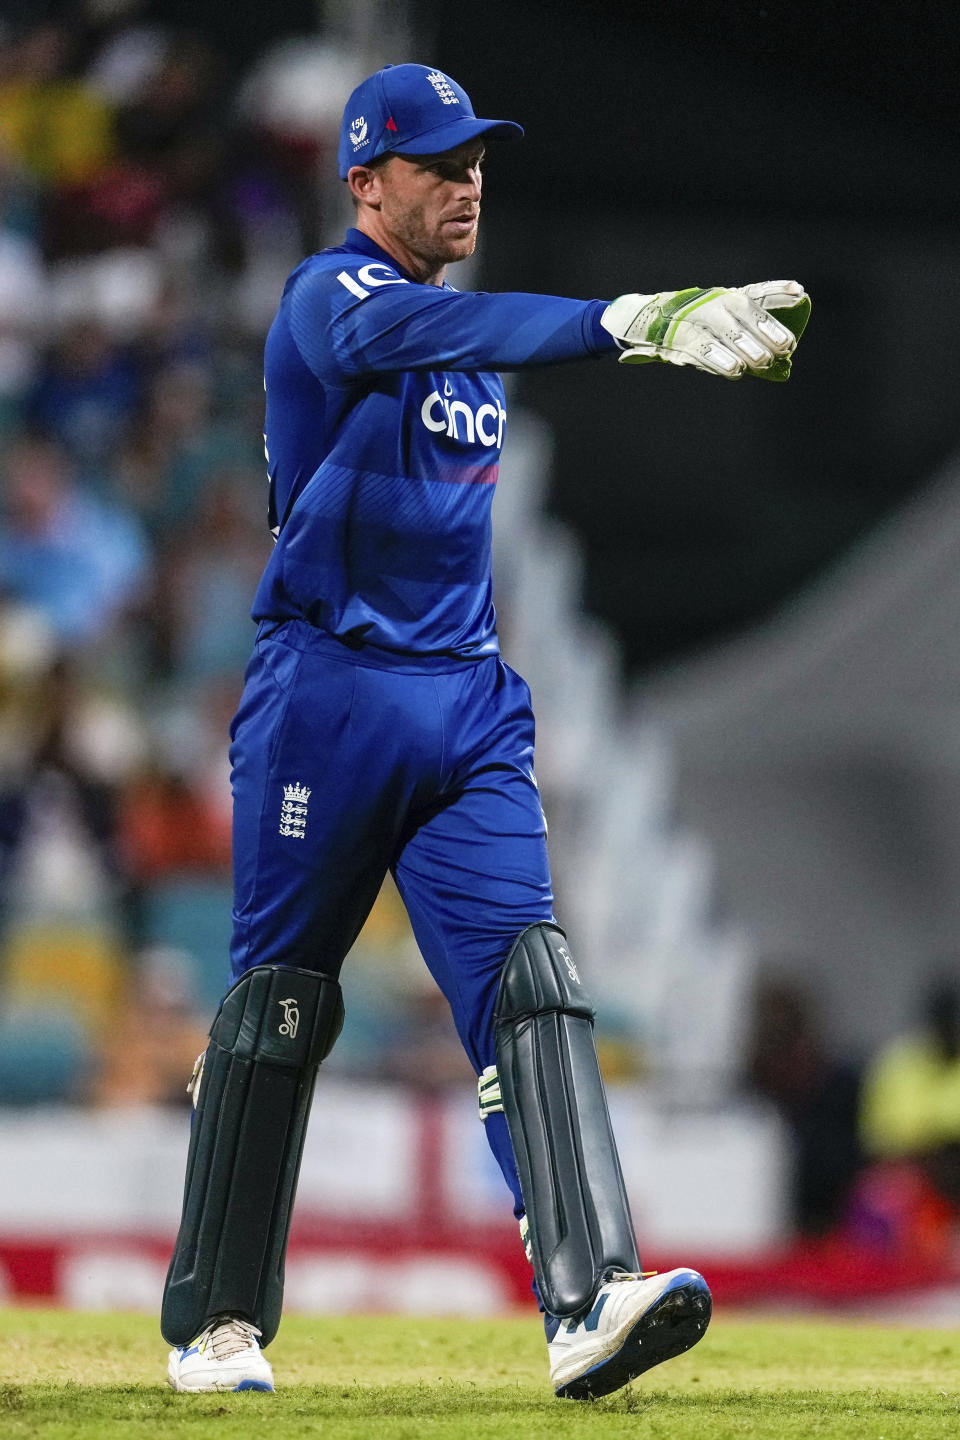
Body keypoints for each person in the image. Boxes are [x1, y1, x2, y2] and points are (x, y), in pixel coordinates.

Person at [161, 62, 810, 1399]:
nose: (466, 181)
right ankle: (214, 1323)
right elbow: (407, 338)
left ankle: (589, 1301)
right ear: (363, 181)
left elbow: (458, 421)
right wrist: (632, 317)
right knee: (279, 1011)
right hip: (325, 700)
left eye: (477, 161)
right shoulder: (326, 299)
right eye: (437, 162)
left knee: (535, 984)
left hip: (465, 705)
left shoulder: (466, 337)